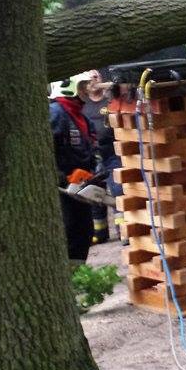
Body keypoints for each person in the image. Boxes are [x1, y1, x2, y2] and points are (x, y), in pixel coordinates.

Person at [49, 75, 97, 264]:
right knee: (69, 231)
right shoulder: (55, 113)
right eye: (83, 86)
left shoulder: (83, 118)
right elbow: (45, 151)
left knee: (84, 231)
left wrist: (93, 174)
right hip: (62, 189)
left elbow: (92, 151)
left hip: (81, 188)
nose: (86, 90)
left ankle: (77, 274)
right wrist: (63, 177)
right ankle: (68, 278)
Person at [78, 69, 114, 244]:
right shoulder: (82, 106)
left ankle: (126, 231)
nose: (94, 80)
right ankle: (100, 233)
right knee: (94, 194)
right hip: (93, 156)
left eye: (96, 76)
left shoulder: (111, 101)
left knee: (118, 190)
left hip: (113, 152)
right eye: (90, 78)